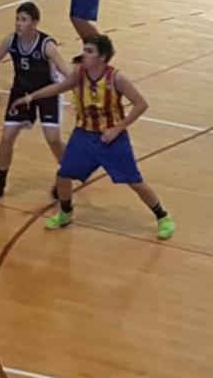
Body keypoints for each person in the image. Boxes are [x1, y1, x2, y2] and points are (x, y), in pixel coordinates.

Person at [11, 34, 176, 240]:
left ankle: (163, 216)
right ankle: (66, 212)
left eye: (90, 52)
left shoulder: (116, 78)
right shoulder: (79, 74)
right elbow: (57, 88)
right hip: (84, 136)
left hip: (111, 138)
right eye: (85, 50)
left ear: (103, 57)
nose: (84, 55)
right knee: (63, 175)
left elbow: (141, 104)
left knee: (134, 181)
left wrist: (117, 129)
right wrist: (32, 96)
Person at [0, 1, 70, 204]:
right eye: (17, 19)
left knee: (53, 140)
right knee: (6, 138)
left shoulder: (46, 45)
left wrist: (79, 93)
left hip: (47, 92)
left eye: (23, 20)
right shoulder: (11, 40)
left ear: (35, 23)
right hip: (21, 92)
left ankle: (68, 171)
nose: (18, 24)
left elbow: (66, 72)